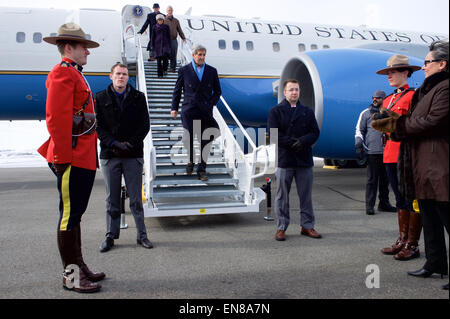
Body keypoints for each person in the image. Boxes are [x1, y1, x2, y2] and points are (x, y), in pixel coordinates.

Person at [373, 40, 449, 290]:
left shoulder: (445, 88)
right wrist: (394, 125)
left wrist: (399, 126)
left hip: (440, 163)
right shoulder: (426, 90)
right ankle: (435, 264)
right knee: (429, 218)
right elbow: (414, 121)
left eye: (427, 62)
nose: (424, 66)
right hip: (421, 163)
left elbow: (433, 121)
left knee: (446, 217)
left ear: (442, 64)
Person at [38, 23, 104, 293]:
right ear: (69, 48)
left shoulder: (75, 74)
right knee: (68, 216)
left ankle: (79, 265)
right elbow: (57, 119)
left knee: (75, 215)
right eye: (83, 47)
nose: (87, 52)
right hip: (72, 157)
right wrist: (62, 157)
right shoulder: (61, 73)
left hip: (83, 156)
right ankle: (71, 276)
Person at [95, 63, 153, 252]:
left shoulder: (138, 97)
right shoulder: (100, 97)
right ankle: (110, 236)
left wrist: (131, 143)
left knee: (135, 199)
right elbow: (99, 127)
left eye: (125, 74)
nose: (121, 77)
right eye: (118, 74)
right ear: (111, 76)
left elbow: (144, 124)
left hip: (132, 154)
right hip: (110, 155)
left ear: (129, 77)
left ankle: (142, 235)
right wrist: (113, 143)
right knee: (112, 199)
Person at [375, 54, 423, 261]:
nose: (389, 76)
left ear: (405, 72)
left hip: (407, 153)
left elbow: (415, 124)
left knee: (411, 199)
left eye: (393, 72)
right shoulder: (387, 99)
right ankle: (402, 240)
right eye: (387, 72)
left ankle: (412, 244)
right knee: (399, 199)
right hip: (389, 154)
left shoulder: (413, 96)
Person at [267, 79, 321, 241]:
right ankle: (281, 227)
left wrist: (303, 141)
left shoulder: (307, 111)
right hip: (285, 159)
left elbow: (315, 132)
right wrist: (293, 143)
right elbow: (273, 135)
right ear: (285, 92)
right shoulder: (275, 111)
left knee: (306, 196)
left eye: (296, 90)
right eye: (291, 90)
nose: (294, 92)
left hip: (304, 159)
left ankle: (307, 225)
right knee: (282, 196)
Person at [171, 44, 222, 181]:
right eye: (199, 54)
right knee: (187, 138)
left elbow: (218, 92)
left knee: (206, 139)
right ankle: (191, 160)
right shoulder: (184, 70)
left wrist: (211, 103)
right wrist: (174, 108)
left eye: (203, 54)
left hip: (205, 111)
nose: (201, 57)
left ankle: (202, 169)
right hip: (189, 110)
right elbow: (177, 90)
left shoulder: (212, 71)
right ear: (193, 55)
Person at [355, 90, 396, 215]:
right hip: (373, 152)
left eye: (378, 98)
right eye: (373, 97)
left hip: (387, 151)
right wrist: (358, 144)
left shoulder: (389, 113)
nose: (375, 99)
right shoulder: (366, 113)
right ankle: (369, 205)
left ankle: (384, 203)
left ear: (384, 99)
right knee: (372, 180)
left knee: (385, 180)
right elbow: (359, 130)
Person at [165, 6, 186, 72]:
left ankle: (172, 68)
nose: (170, 11)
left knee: (173, 54)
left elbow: (179, 30)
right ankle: (165, 68)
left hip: (174, 40)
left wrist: (183, 38)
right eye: (168, 10)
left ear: (172, 11)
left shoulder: (176, 21)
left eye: (171, 10)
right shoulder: (164, 20)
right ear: (167, 11)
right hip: (166, 40)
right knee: (166, 54)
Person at [151, 14, 171, 78]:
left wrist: (169, 45)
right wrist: (152, 45)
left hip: (165, 45)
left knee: (165, 59)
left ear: (163, 20)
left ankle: (165, 70)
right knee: (159, 61)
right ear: (157, 21)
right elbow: (152, 37)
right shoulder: (154, 27)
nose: (160, 21)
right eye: (159, 20)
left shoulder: (166, 27)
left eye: (161, 20)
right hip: (158, 46)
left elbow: (168, 36)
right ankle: (159, 74)